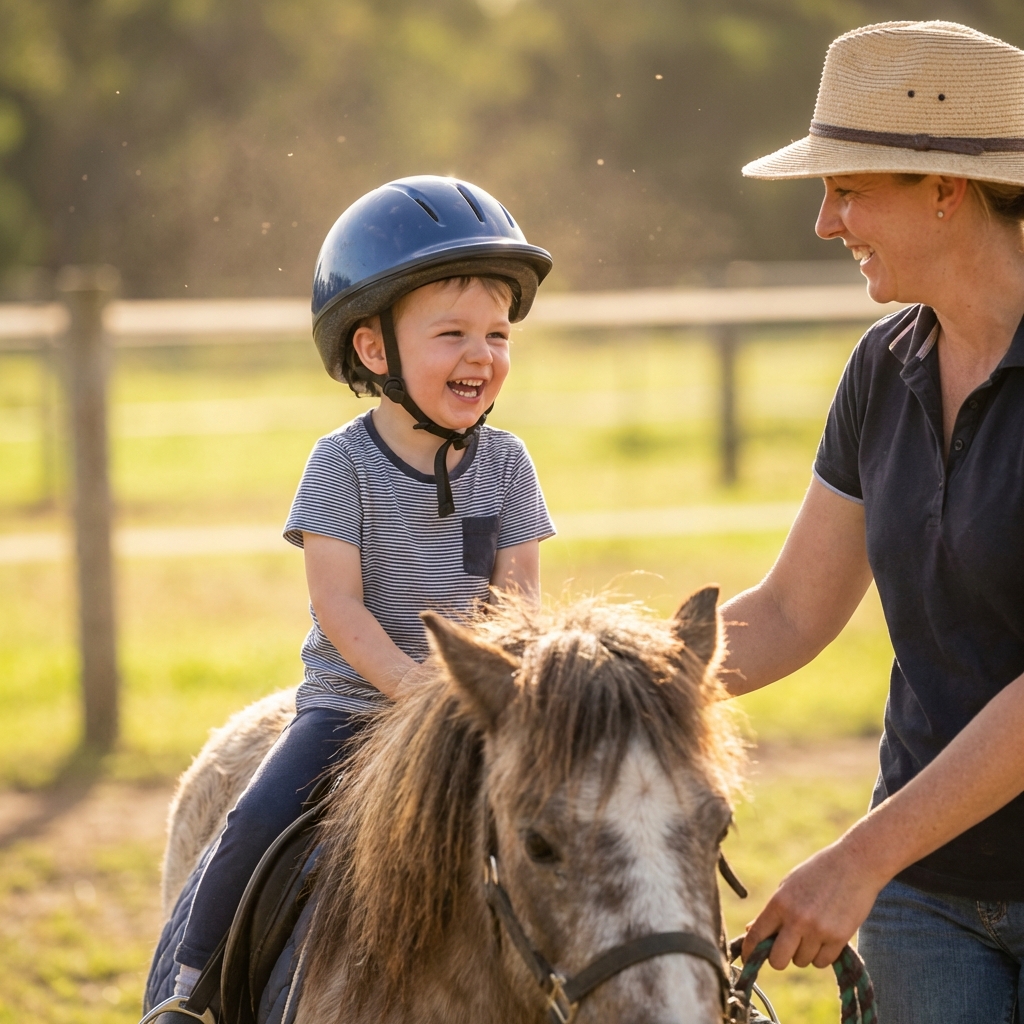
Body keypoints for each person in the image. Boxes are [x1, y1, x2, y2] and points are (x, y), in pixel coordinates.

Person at [161, 176, 555, 1016]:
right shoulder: (340, 466)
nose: (482, 354)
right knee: (252, 827)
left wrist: (498, 702)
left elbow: (521, 607)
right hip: (350, 710)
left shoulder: (510, 465)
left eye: (497, 332)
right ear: (374, 351)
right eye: (451, 333)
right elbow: (339, 611)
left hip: (478, 713)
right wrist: (423, 698)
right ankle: (187, 989)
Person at [726, 21, 1024, 1022]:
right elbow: (786, 615)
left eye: (847, 188)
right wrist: (577, 672)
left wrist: (859, 858)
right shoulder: (881, 368)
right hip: (924, 897)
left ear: (945, 188)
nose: (824, 221)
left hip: (891, 859)